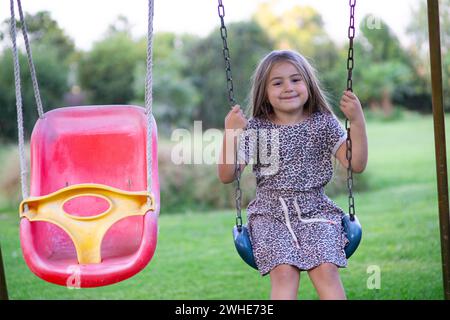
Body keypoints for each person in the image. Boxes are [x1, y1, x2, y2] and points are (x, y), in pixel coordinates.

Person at [217, 50, 368, 300]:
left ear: (308, 84)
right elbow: (226, 174)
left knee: (326, 269)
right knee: (284, 272)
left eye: (296, 79)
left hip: (316, 212)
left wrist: (358, 121)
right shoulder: (257, 128)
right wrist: (230, 133)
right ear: (264, 92)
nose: (288, 87)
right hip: (270, 215)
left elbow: (357, 163)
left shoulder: (324, 123)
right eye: (277, 82)